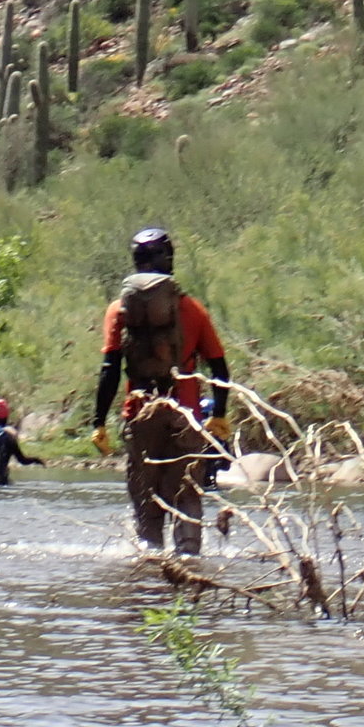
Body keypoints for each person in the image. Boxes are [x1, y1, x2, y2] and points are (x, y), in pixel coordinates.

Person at [91, 227, 231, 555]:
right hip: (186, 416)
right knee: (187, 496)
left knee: (146, 504)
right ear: (168, 260)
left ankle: (148, 569)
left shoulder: (118, 311)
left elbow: (110, 370)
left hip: (139, 414)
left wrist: (99, 421)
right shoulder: (193, 310)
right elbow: (220, 369)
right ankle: (190, 567)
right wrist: (220, 415)